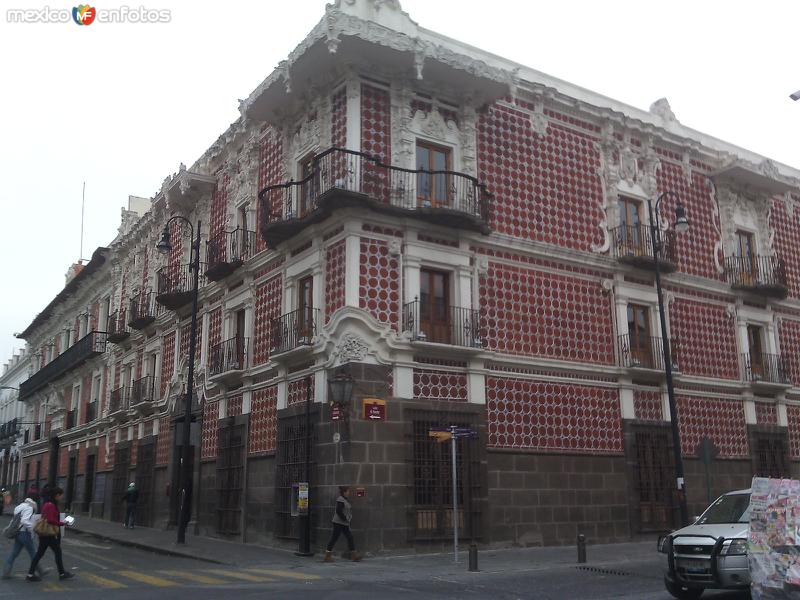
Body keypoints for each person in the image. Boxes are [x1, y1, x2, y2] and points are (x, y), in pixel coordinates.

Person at [26, 486, 73, 582]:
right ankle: (62, 573)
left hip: (45, 534)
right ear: (56, 495)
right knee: (56, 552)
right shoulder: (51, 505)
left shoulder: (47, 504)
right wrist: (63, 523)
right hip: (48, 534)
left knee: (41, 553)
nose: (61, 498)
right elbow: (51, 520)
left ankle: (30, 574)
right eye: (60, 496)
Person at [2, 491, 44, 579]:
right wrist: (33, 527)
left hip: (18, 533)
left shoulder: (19, 506)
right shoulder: (29, 508)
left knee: (14, 553)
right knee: (33, 553)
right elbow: (24, 521)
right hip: (24, 533)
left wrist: (9, 527)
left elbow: (14, 520)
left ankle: (6, 572)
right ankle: (38, 571)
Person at [324, 486, 361, 562]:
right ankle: (327, 556)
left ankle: (354, 555)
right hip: (338, 522)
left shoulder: (345, 500)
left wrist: (347, 518)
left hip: (344, 523)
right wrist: (345, 518)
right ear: (344, 492)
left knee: (350, 537)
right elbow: (338, 511)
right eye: (348, 491)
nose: (349, 493)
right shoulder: (340, 499)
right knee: (334, 538)